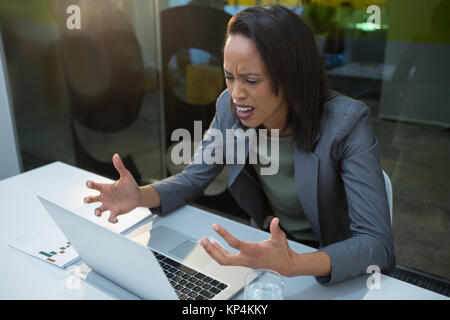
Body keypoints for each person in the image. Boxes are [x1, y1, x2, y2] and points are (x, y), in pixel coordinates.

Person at [83, 5, 395, 284]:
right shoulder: (229, 110)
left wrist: (295, 263)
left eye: (251, 80)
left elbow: (377, 244)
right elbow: (194, 177)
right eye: (229, 77)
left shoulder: (347, 123)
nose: (236, 93)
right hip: (271, 251)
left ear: (292, 77)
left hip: (332, 261)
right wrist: (140, 196)